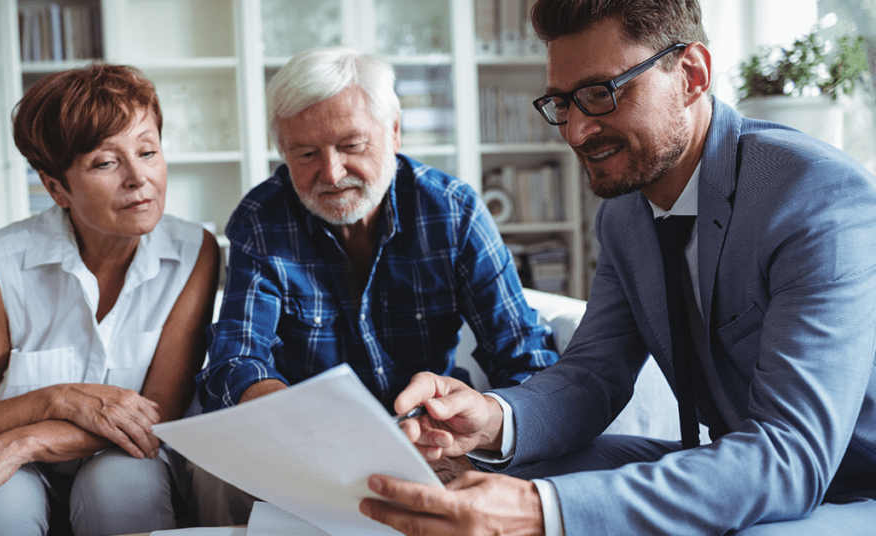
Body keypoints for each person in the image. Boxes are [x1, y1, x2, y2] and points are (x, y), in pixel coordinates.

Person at [359, 1, 876, 535]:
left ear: (692, 74)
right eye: (562, 102)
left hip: (849, 479)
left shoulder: (814, 196)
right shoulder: (624, 216)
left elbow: (792, 457)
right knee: (469, 482)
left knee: (541, 506)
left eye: (602, 93)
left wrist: (539, 511)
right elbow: (592, 376)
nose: (577, 132)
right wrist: (491, 420)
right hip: (735, 460)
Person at [0, 64, 220, 536]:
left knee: (120, 482)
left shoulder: (195, 252)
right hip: (8, 475)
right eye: (106, 163)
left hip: (121, 459)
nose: (138, 178)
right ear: (56, 188)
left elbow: (156, 416)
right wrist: (57, 400)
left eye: (148, 152)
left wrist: (27, 440)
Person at [199, 46, 558, 415]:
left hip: (431, 428)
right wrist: (283, 409)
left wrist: (483, 428)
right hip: (310, 433)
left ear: (394, 132)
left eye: (351, 145)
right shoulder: (261, 220)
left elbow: (524, 356)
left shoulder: (454, 212)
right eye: (306, 154)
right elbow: (237, 358)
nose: (332, 173)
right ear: (283, 152)